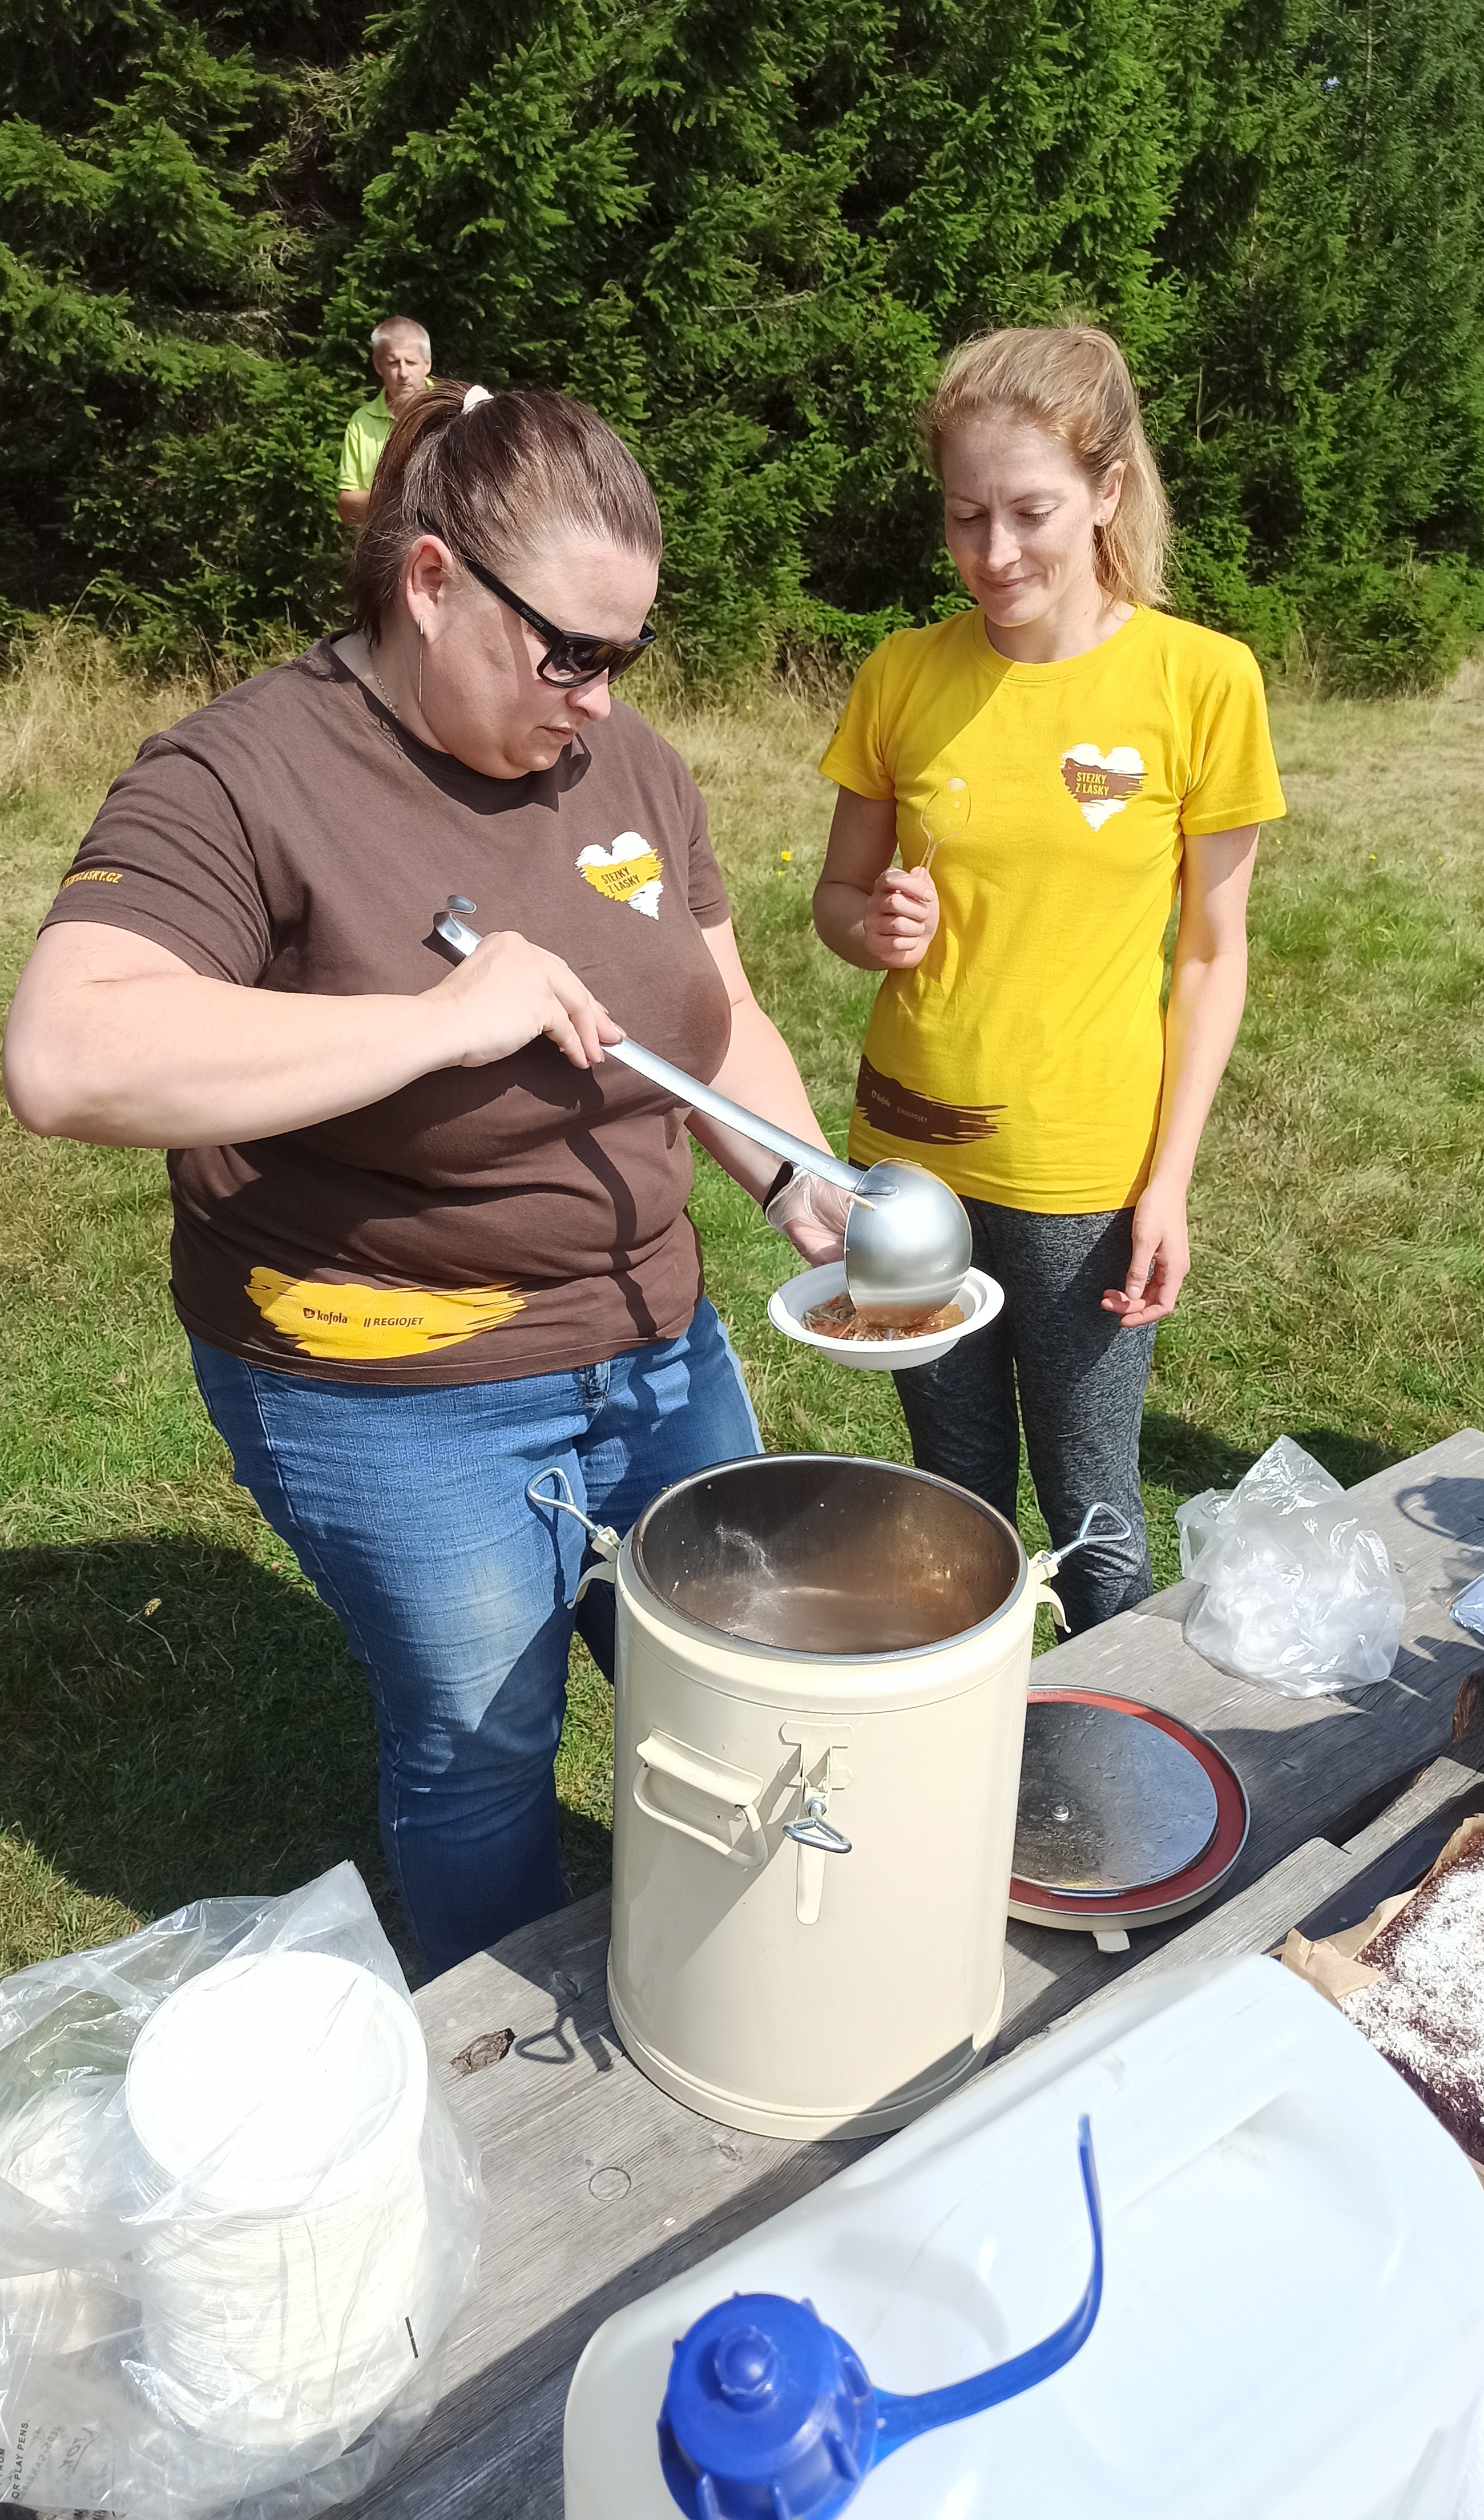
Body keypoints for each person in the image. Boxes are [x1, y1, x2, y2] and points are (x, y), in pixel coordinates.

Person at [4, 381, 848, 1977]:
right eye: (571, 652)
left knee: (736, 1672)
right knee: (482, 1739)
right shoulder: (242, 774)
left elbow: (715, 1017)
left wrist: (797, 1182)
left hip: (653, 1338)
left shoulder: (634, 771)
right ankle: (502, 2077)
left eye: (629, 656)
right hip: (393, 1375)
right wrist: (434, 1024)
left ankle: (733, 1981)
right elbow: (66, 1056)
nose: (599, 701)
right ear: (435, 578)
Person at [810, 325, 1286, 1635]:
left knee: (1090, 1511)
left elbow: (1210, 950)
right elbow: (835, 904)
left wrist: (1169, 1180)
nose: (994, 554)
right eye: (966, 516)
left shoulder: (1199, 682)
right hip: (906, 1169)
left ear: (1107, 491)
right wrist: (878, 927)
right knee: (948, 1502)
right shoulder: (903, 673)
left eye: (1028, 512)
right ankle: (965, 1772)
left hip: (1085, 1174)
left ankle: (1102, 1786)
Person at [336, 317, 434, 526]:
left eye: (411, 362)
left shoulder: (453, 409)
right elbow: (346, 510)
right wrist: (401, 494)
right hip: (383, 552)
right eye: (394, 363)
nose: (403, 374)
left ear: (428, 364)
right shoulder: (361, 423)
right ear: (378, 366)